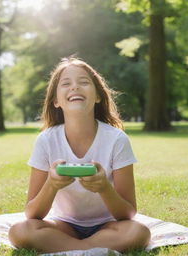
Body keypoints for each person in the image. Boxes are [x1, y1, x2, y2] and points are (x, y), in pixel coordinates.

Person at [8, 57, 151, 253]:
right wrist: (51, 184)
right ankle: (87, 250)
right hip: (64, 227)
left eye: (84, 82)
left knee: (139, 232)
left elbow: (128, 213)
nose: (75, 87)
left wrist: (104, 188)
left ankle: (75, 250)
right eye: (66, 83)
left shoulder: (117, 139)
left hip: (108, 226)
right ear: (56, 101)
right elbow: (32, 213)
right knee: (19, 231)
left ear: (98, 96)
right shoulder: (45, 140)